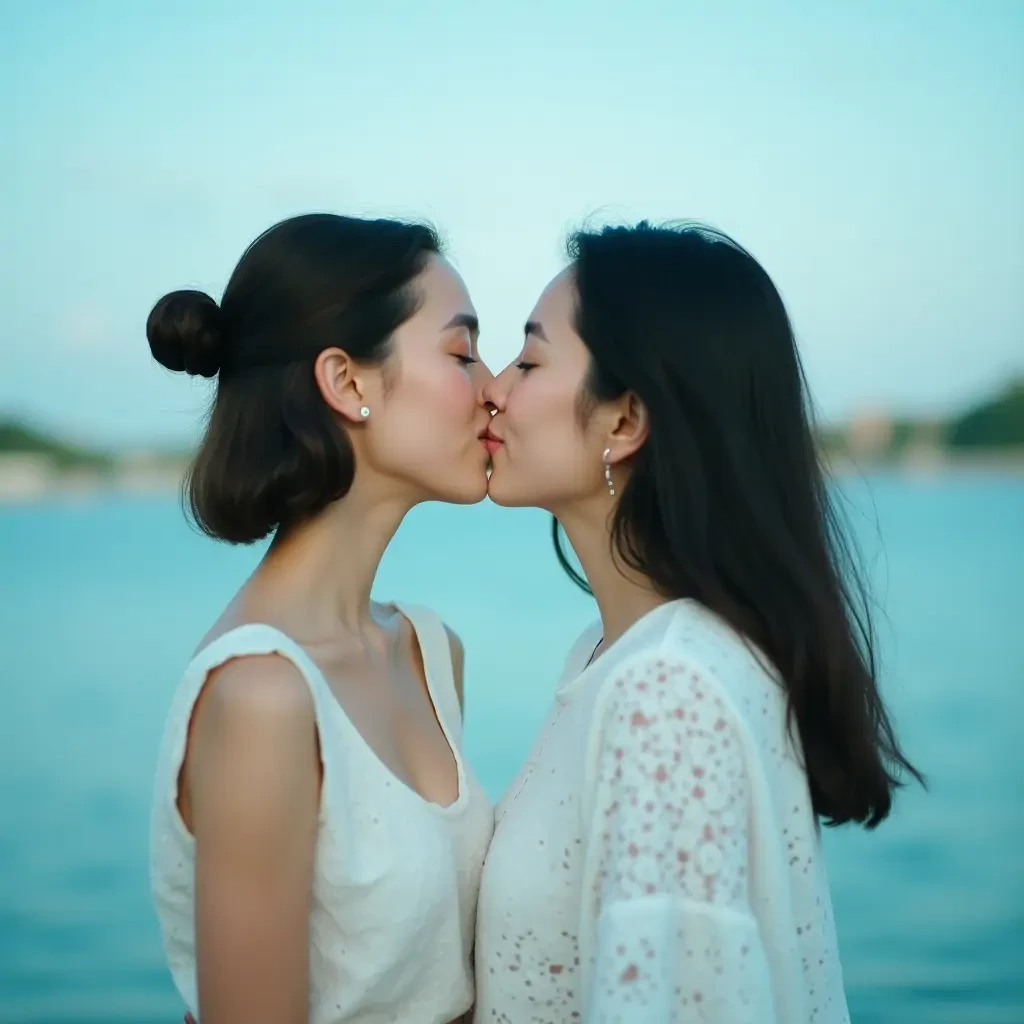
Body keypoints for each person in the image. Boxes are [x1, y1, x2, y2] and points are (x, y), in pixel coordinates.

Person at [474, 221, 922, 1022]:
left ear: (624, 421)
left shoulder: (668, 686)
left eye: (530, 362)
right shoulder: (616, 654)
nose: (494, 390)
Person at [147, 213, 494, 1024]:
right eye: (461, 353)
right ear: (346, 382)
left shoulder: (431, 652)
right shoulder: (262, 695)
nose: (494, 387)